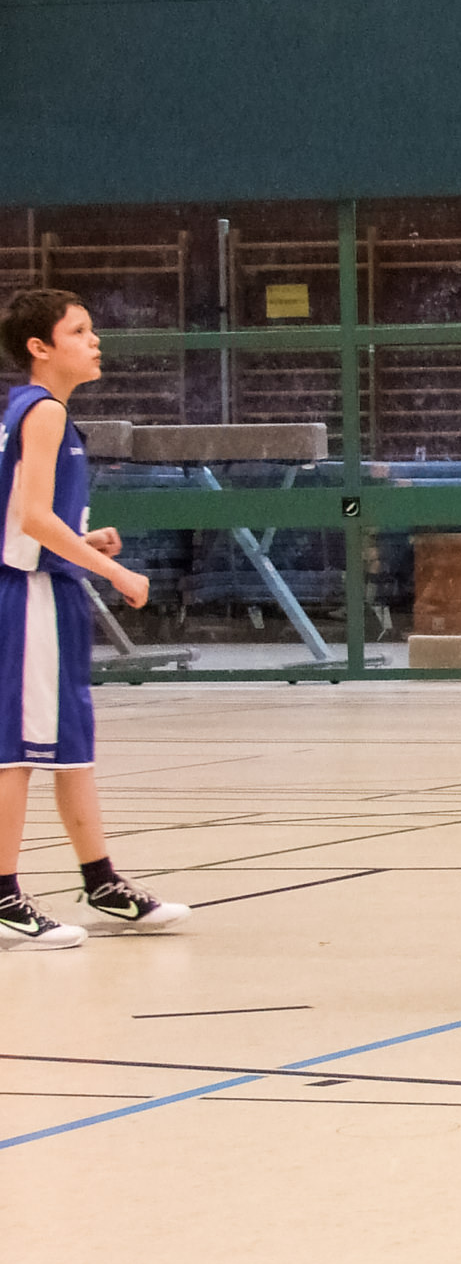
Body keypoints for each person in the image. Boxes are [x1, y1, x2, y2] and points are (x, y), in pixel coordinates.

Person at [0, 290, 187, 950]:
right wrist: (114, 571)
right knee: (18, 752)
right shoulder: (43, 411)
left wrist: (84, 542)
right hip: (30, 597)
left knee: (71, 748)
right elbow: (32, 519)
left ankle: (101, 880)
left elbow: (23, 517)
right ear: (40, 347)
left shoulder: (34, 411)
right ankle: (2, 893)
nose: (95, 340)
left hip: (52, 591)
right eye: (78, 330)